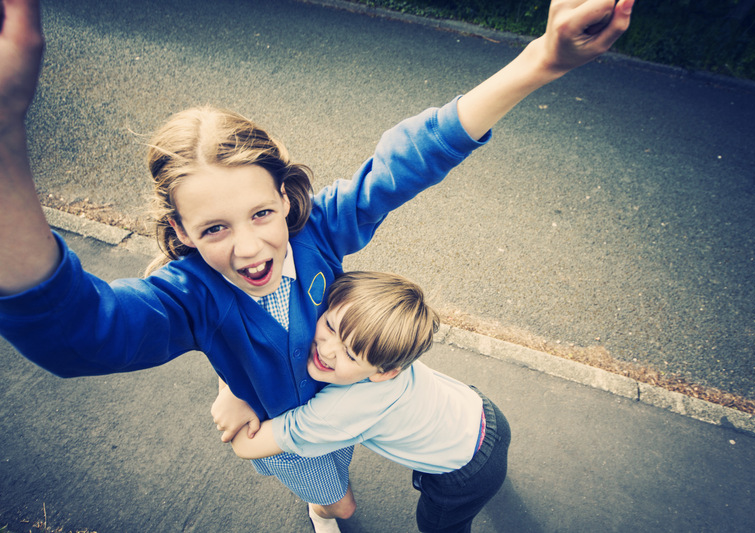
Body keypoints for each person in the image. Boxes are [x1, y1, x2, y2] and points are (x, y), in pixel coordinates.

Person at [0, 0, 633, 531]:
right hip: (288, 424)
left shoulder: (317, 231)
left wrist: (540, 61)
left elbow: (405, 163)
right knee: (335, 495)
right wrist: (5, 134)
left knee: (340, 447)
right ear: (180, 233)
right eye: (214, 229)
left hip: (339, 402)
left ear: (284, 198)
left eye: (260, 214)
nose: (249, 249)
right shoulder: (185, 298)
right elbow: (82, 334)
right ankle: (330, 509)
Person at [231, 271, 511, 533]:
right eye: (329, 325)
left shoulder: (342, 409)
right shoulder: (382, 353)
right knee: (495, 472)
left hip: (466, 473)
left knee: (436, 524)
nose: (326, 350)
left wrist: (233, 395)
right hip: (481, 411)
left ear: (385, 374)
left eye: (351, 355)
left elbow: (247, 445)